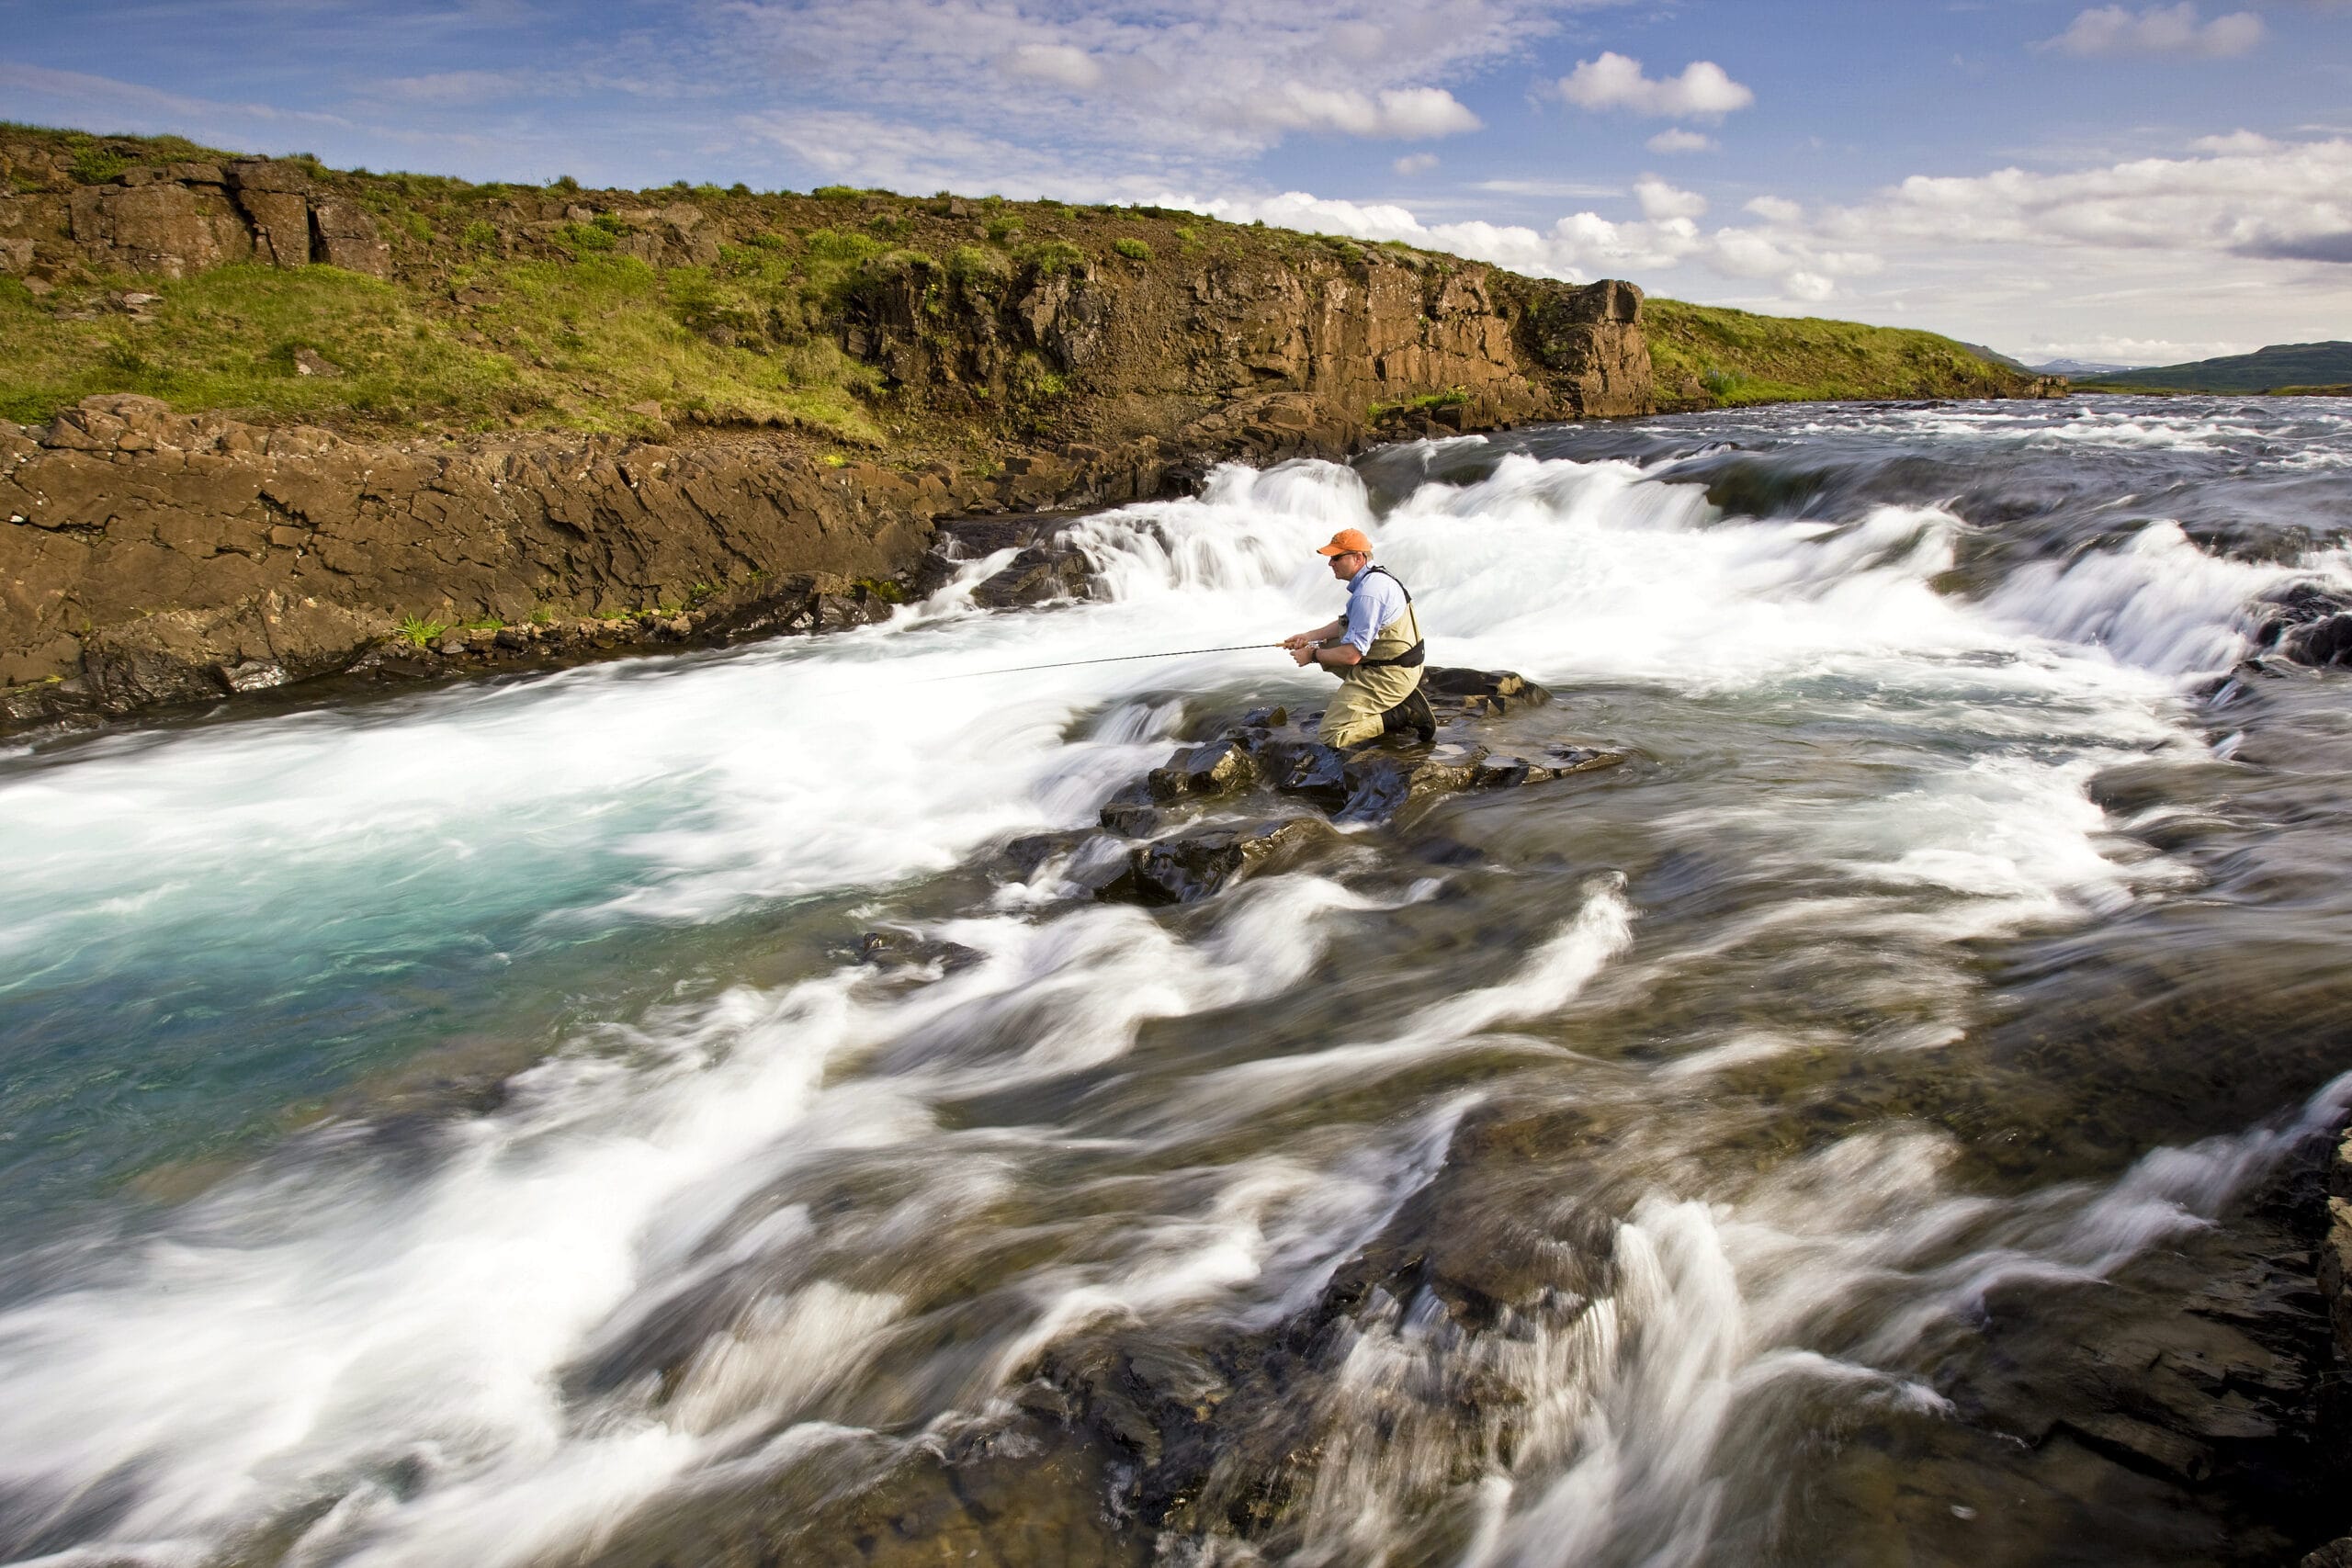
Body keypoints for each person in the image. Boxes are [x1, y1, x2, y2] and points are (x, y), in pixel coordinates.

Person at [1282, 527, 1437, 747]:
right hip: (1397, 664)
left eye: (1336, 557)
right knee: (1327, 644)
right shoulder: (1373, 579)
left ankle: (1400, 713)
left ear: (1358, 557)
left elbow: (1351, 656)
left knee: (1332, 734)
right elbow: (1347, 624)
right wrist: (1309, 637)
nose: (1330, 563)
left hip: (1392, 675)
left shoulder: (1369, 594)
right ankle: (1392, 699)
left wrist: (1313, 655)